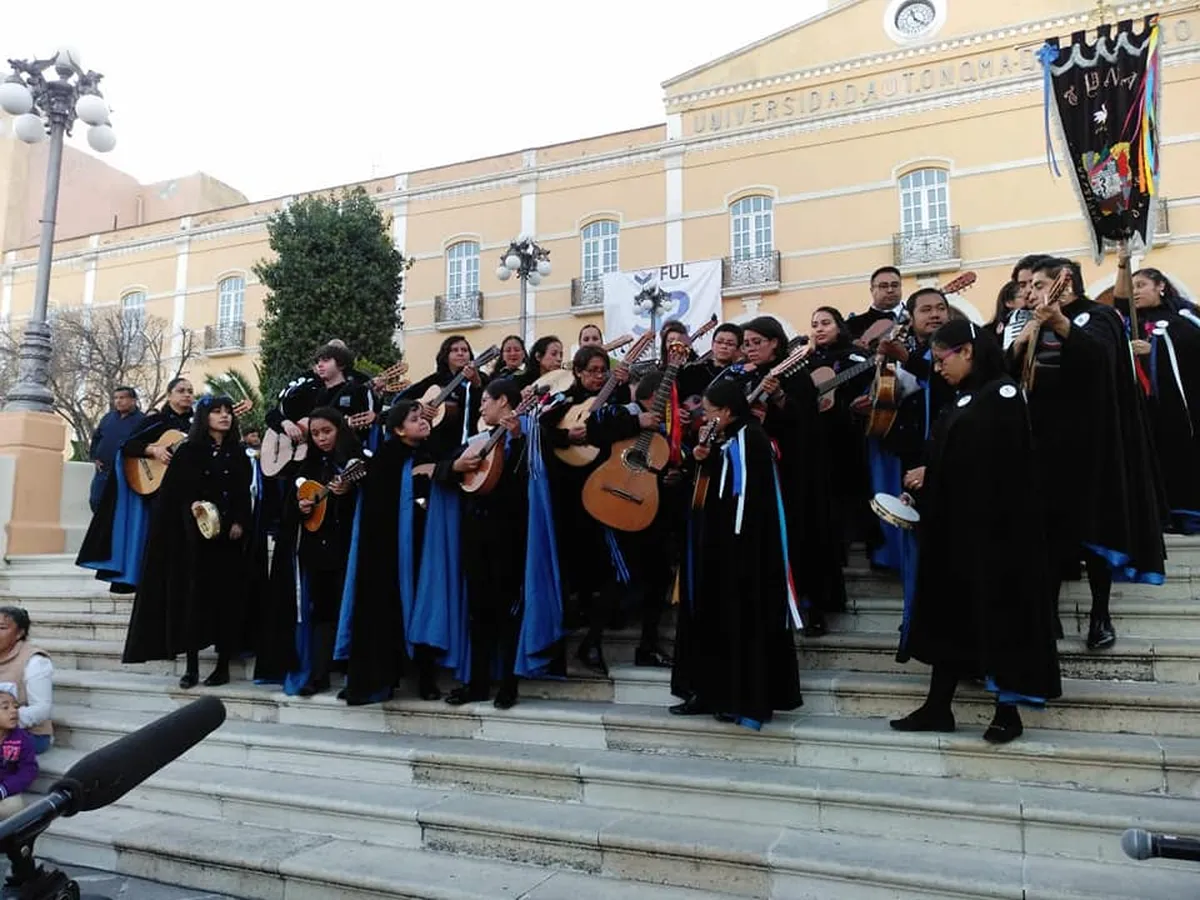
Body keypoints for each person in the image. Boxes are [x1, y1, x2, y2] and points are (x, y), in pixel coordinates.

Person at [892, 319, 1062, 743]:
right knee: (949, 617)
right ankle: (937, 706)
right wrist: (924, 489)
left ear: (966, 350)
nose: (936, 368)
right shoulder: (963, 398)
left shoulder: (1001, 394)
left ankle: (1008, 712)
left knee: (1001, 619)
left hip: (998, 535)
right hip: (956, 532)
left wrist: (934, 473)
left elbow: (998, 461)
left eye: (941, 358)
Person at [1011, 256, 1167, 650]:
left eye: (1039, 284)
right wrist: (1019, 344)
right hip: (1042, 445)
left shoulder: (1099, 316)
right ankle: (1048, 616)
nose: (1031, 291)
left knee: (1095, 534)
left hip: (1091, 448)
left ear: (1065, 285)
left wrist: (1059, 323)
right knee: (1045, 536)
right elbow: (1011, 375)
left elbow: (1101, 358)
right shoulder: (1030, 321)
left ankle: (1100, 615)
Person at [671, 378, 802, 729]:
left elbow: (745, 500)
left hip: (741, 550)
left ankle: (741, 697)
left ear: (727, 412)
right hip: (712, 545)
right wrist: (702, 457)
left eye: (710, 411)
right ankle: (705, 690)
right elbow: (712, 486)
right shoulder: (725, 438)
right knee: (707, 617)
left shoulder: (752, 440)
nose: (704, 416)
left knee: (740, 620)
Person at [122, 395, 255, 689]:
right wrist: (193, 511)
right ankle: (192, 666)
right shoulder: (189, 451)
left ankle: (222, 666)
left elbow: (243, 493)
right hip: (194, 539)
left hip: (228, 541)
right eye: (217, 411)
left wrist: (239, 522)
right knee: (194, 598)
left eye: (228, 412)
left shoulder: (238, 453)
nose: (224, 417)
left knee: (226, 599)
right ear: (205, 416)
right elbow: (174, 495)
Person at [336, 400, 440, 704]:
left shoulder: (431, 452)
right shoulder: (386, 458)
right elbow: (376, 509)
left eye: (422, 417)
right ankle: (380, 679)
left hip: (424, 546)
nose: (422, 422)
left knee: (425, 605)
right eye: (414, 418)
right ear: (397, 429)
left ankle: (426, 678)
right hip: (388, 554)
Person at [257, 407, 363, 696]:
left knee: (353, 608)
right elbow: (291, 507)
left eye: (327, 431)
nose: (321, 438)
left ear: (340, 429)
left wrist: (351, 491)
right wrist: (302, 508)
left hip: (351, 550)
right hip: (318, 551)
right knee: (322, 611)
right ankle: (318, 674)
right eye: (315, 433)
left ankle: (356, 676)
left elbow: (373, 496)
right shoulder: (308, 467)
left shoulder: (358, 460)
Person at [441, 379, 529, 709]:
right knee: (478, 611)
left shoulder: (524, 435)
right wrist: (455, 467)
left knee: (506, 610)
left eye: (486, 401)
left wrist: (517, 438)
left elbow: (526, 479)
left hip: (507, 534)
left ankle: (508, 683)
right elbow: (453, 470)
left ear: (504, 401)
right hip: (476, 532)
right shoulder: (478, 439)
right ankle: (477, 683)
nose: (480, 407)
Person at [77, 377, 196, 593]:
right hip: (158, 491)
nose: (187, 394)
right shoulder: (156, 421)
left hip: (187, 491)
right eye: (181, 390)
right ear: (169, 395)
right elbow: (129, 446)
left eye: (190, 391)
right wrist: (153, 450)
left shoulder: (197, 424)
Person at [1120, 267, 1200, 534]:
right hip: (1145, 409)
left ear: (1160, 287)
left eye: (1141, 285)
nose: (1136, 292)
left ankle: (1189, 515)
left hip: (1180, 409)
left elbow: (1191, 346)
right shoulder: (1129, 323)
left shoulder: (1182, 316)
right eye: (1133, 288)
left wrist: (1156, 349)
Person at [400, 335, 486, 460]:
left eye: (464, 350)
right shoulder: (434, 380)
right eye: (455, 350)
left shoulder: (481, 378)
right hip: (435, 446)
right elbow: (401, 400)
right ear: (446, 355)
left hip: (470, 442)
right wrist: (419, 407)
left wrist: (477, 384)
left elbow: (487, 405)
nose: (460, 353)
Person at [0, 608, 52, 754]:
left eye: (2, 628)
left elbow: (42, 708)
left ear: (19, 633)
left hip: (28, 733)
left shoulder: (35, 661)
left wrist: (5, 720)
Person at [88, 386, 145, 512]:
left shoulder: (142, 420)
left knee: (117, 507)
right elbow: (97, 437)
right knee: (96, 501)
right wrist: (95, 457)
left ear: (133, 400)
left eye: (122, 398)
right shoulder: (108, 417)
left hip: (126, 472)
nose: (118, 401)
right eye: (116, 398)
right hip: (103, 470)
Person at [0, 684, 38, 818]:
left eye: (16, 706)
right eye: (5, 707)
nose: (14, 711)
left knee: (14, 807)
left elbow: (28, 770)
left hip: (5, 790)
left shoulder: (22, 739)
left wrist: (5, 789)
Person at [848, 266, 905, 340]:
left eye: (895, 285)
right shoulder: (853, 325)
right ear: (872, 290)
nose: (890, 290)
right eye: (883, 286)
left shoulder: (915, 318)